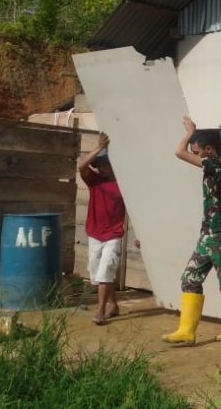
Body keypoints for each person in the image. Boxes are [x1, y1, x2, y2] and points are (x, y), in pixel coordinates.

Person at [162, 117, 221, 344]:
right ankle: (186, 331)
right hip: (207, 235)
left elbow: (179, 152)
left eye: (197, 152)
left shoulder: (216, 165)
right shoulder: (212, 167)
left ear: (209, 150)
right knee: (190, 279)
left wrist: (190, 132)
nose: (195, 156)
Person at [78, 133, 126, 325]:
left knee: (105, 270)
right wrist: (99, 147)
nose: (100, 168)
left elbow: (134, 209)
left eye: (104, 164)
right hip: (95, 233)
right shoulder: (94, 181)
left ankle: (100, 311)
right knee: (99, 273)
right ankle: (113, 305)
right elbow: (81, 166)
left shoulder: (123, 184)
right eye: (98, 165)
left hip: (113, 234)